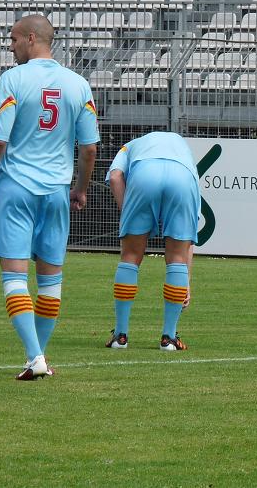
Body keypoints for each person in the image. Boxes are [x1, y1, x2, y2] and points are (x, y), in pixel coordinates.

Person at [0, 15, 99, 380]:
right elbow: (89, 148)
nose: (10, 46)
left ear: (31, 38)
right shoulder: (79, 85)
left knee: (14, 276)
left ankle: (34, 356)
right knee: (50, 281)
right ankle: (39, 357)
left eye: (13, 39)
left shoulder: (13, 79)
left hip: (16, 188)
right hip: (57, 192)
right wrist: (80, 188)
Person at [105, 131, 200, 352]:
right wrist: (187, 282)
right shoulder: (183, 148)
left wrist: (127, 212)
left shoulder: (129, 146)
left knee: (130, 255)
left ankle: (120, 336)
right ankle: (169, 339)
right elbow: (189, 239)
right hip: (183, 175)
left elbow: (115, 176)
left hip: (144, 173)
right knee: (177, 256)